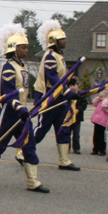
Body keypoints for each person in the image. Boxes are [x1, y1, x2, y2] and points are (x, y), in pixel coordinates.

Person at [0, 23, 49, 193]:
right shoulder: (9, 66)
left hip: (22, 113)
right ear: (14, 49)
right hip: (9, 112)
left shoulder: (22, 66)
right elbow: (8, 92)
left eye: (26, 47)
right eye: (23, 47)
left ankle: (33, 181)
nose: (26, 50)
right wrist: (18, 107)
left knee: (29, 144)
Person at [32, 19, 80, 171]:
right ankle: (23, 152)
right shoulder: (50, 56)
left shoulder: (59, 55)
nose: (65, 41)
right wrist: (67, 91)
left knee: (63, 126)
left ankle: (64, 160)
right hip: (49, 96)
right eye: (62, 40)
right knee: (43, 127)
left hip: (60, 95)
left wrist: (68, 79)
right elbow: (52, 77)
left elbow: (59, 75)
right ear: (54, 42)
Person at [90, 89, 108, 156]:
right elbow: (94, 103)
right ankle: (95, 149)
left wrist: (106, 99)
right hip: (97, 121)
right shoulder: (101, 102)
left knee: (102, 137)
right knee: (96, 136)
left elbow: (104, 106)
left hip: (103, 122)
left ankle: (102, 150)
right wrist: (99, 98)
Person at [70, 78, 88, 154]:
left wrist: (79, 109)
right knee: (67, 133)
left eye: (74, 85)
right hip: (69, 117)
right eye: (71, 85)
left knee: (76, 134)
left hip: (77, 117)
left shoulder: (81, 95)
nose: (72, 87)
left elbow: (84, 104)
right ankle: (66, 147)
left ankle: (76, 148)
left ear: (78, 85)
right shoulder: (68, 94)